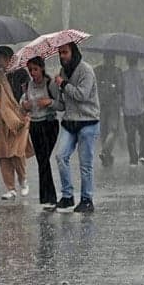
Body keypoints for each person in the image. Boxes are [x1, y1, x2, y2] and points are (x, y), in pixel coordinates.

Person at [54, 42, 101, 213]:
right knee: (61, 156)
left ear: (73, 52)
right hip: (69, 122)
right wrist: (49, 100)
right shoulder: (62, 72)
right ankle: (67, 196)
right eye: (60, 53)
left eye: (65, 52)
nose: (62, 56)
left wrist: (63, 85)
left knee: (85, 163)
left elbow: (82, 95)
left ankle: (87, 199)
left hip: (88, 121)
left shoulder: (86, 70)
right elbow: (62, 103)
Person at [0, 46, 33, 200]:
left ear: (8, 58)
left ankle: (23, 180)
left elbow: (28, 93)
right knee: (3, 154)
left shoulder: (21, 73)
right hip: (1, 119)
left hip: (19, 118)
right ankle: (10, 188)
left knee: (17, 151)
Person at [21, 56, 64, 210]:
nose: (33, 73)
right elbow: (22, 104)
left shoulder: (50, 84)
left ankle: (50, 197)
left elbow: (61, 105)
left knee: (44, 159)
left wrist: (49, 102)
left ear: (42, 68)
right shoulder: (27, 86)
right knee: (41, 160)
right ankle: (47, 198)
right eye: (30, 70)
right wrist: (24, 105)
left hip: (49, 124)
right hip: (35, 125)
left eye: (35, 69)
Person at [94, 53, 123, 167]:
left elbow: (93, 87)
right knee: (113, 130)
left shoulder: (97, 70)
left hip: (100, 105)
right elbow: (120, 89)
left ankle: (106, 155)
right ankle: (105, 151)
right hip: (113, 105)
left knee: (104, 131)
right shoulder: (117, 71)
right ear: (113, 59)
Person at [122, 56, 144, 166]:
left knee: (130, 136)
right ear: (137, 61)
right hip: (140, 109)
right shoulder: (142, 75)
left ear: (127, 61)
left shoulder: (123, 75)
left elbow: (120, 91)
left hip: (128, 110)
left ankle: (133, 159)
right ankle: (143, 155)